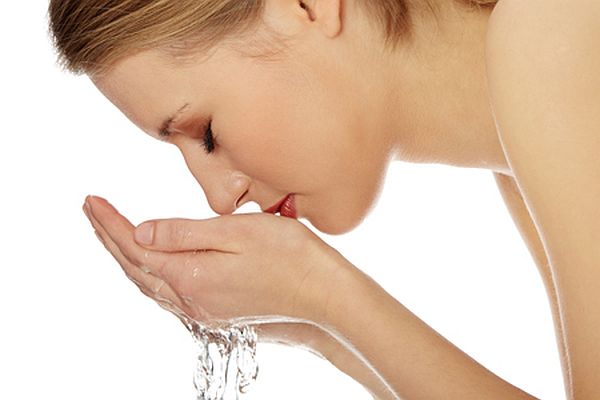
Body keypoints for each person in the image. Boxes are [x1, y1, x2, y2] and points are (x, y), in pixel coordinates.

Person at [48, 0, 600, 398]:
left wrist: (328, 296)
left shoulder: (550, 35)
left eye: (207, 133)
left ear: (306, 6)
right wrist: (318, 326)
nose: (220, 196)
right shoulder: (520, 150)